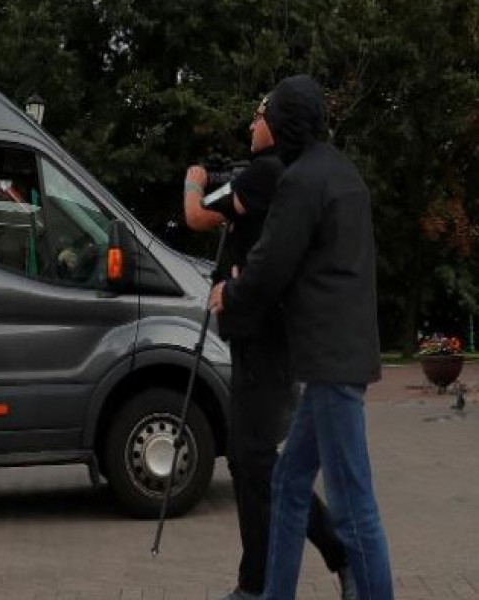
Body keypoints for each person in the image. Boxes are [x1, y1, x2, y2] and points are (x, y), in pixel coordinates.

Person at [208, 75, 394, 600]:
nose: (261, 122)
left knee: (355, 508)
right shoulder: (343, 173)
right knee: (288, 483)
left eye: (269, 114)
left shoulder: (301, 179)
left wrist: (230, 293)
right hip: (337, 357)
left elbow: (270, 267)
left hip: (331, 364)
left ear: (287, 122)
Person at [184, 95, 355, 600]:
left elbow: (196, 216)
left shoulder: (264, 174)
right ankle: (290, 568)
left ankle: (268, 580)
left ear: (277, 127)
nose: (252, 122)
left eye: (259, 116)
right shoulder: (276, 176)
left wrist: (194, 178)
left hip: (261, 337)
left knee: (253, 460)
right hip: (263, 336)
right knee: (256, 462)